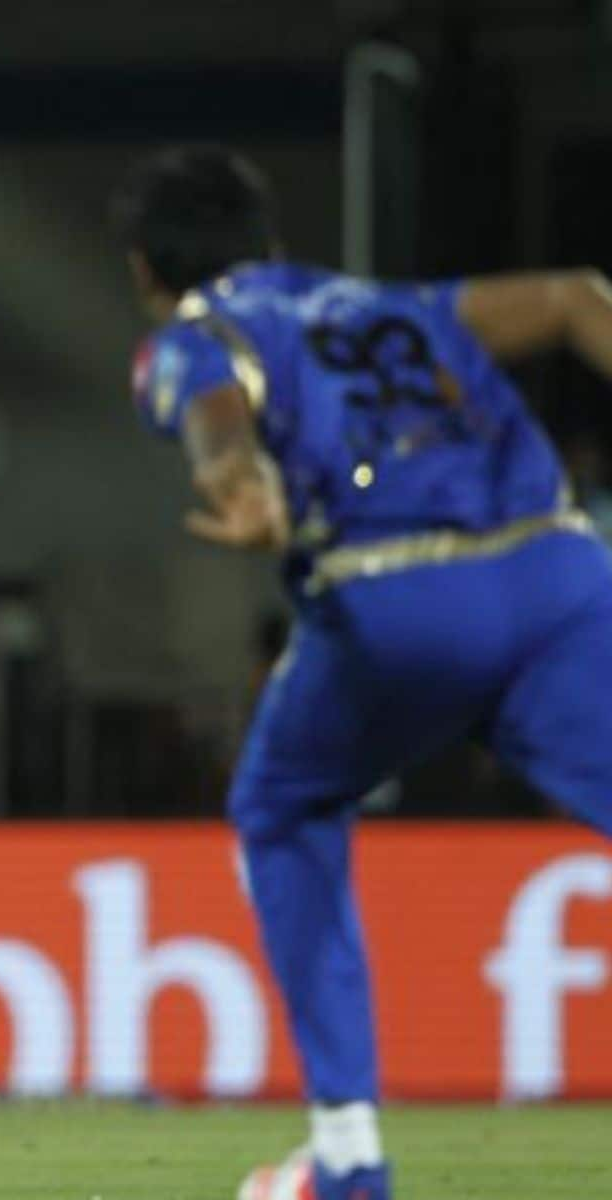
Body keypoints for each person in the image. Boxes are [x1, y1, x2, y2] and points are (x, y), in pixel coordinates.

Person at [112, 145, 612, 1200]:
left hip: (400, 600)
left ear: (145, 272)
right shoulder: (403, 306)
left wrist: (235, 480)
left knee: (283, 806)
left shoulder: (195, 335)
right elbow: (577, 300)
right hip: (560, 579)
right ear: (271, 241)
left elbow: (215, 405)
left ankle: (345, 1156)